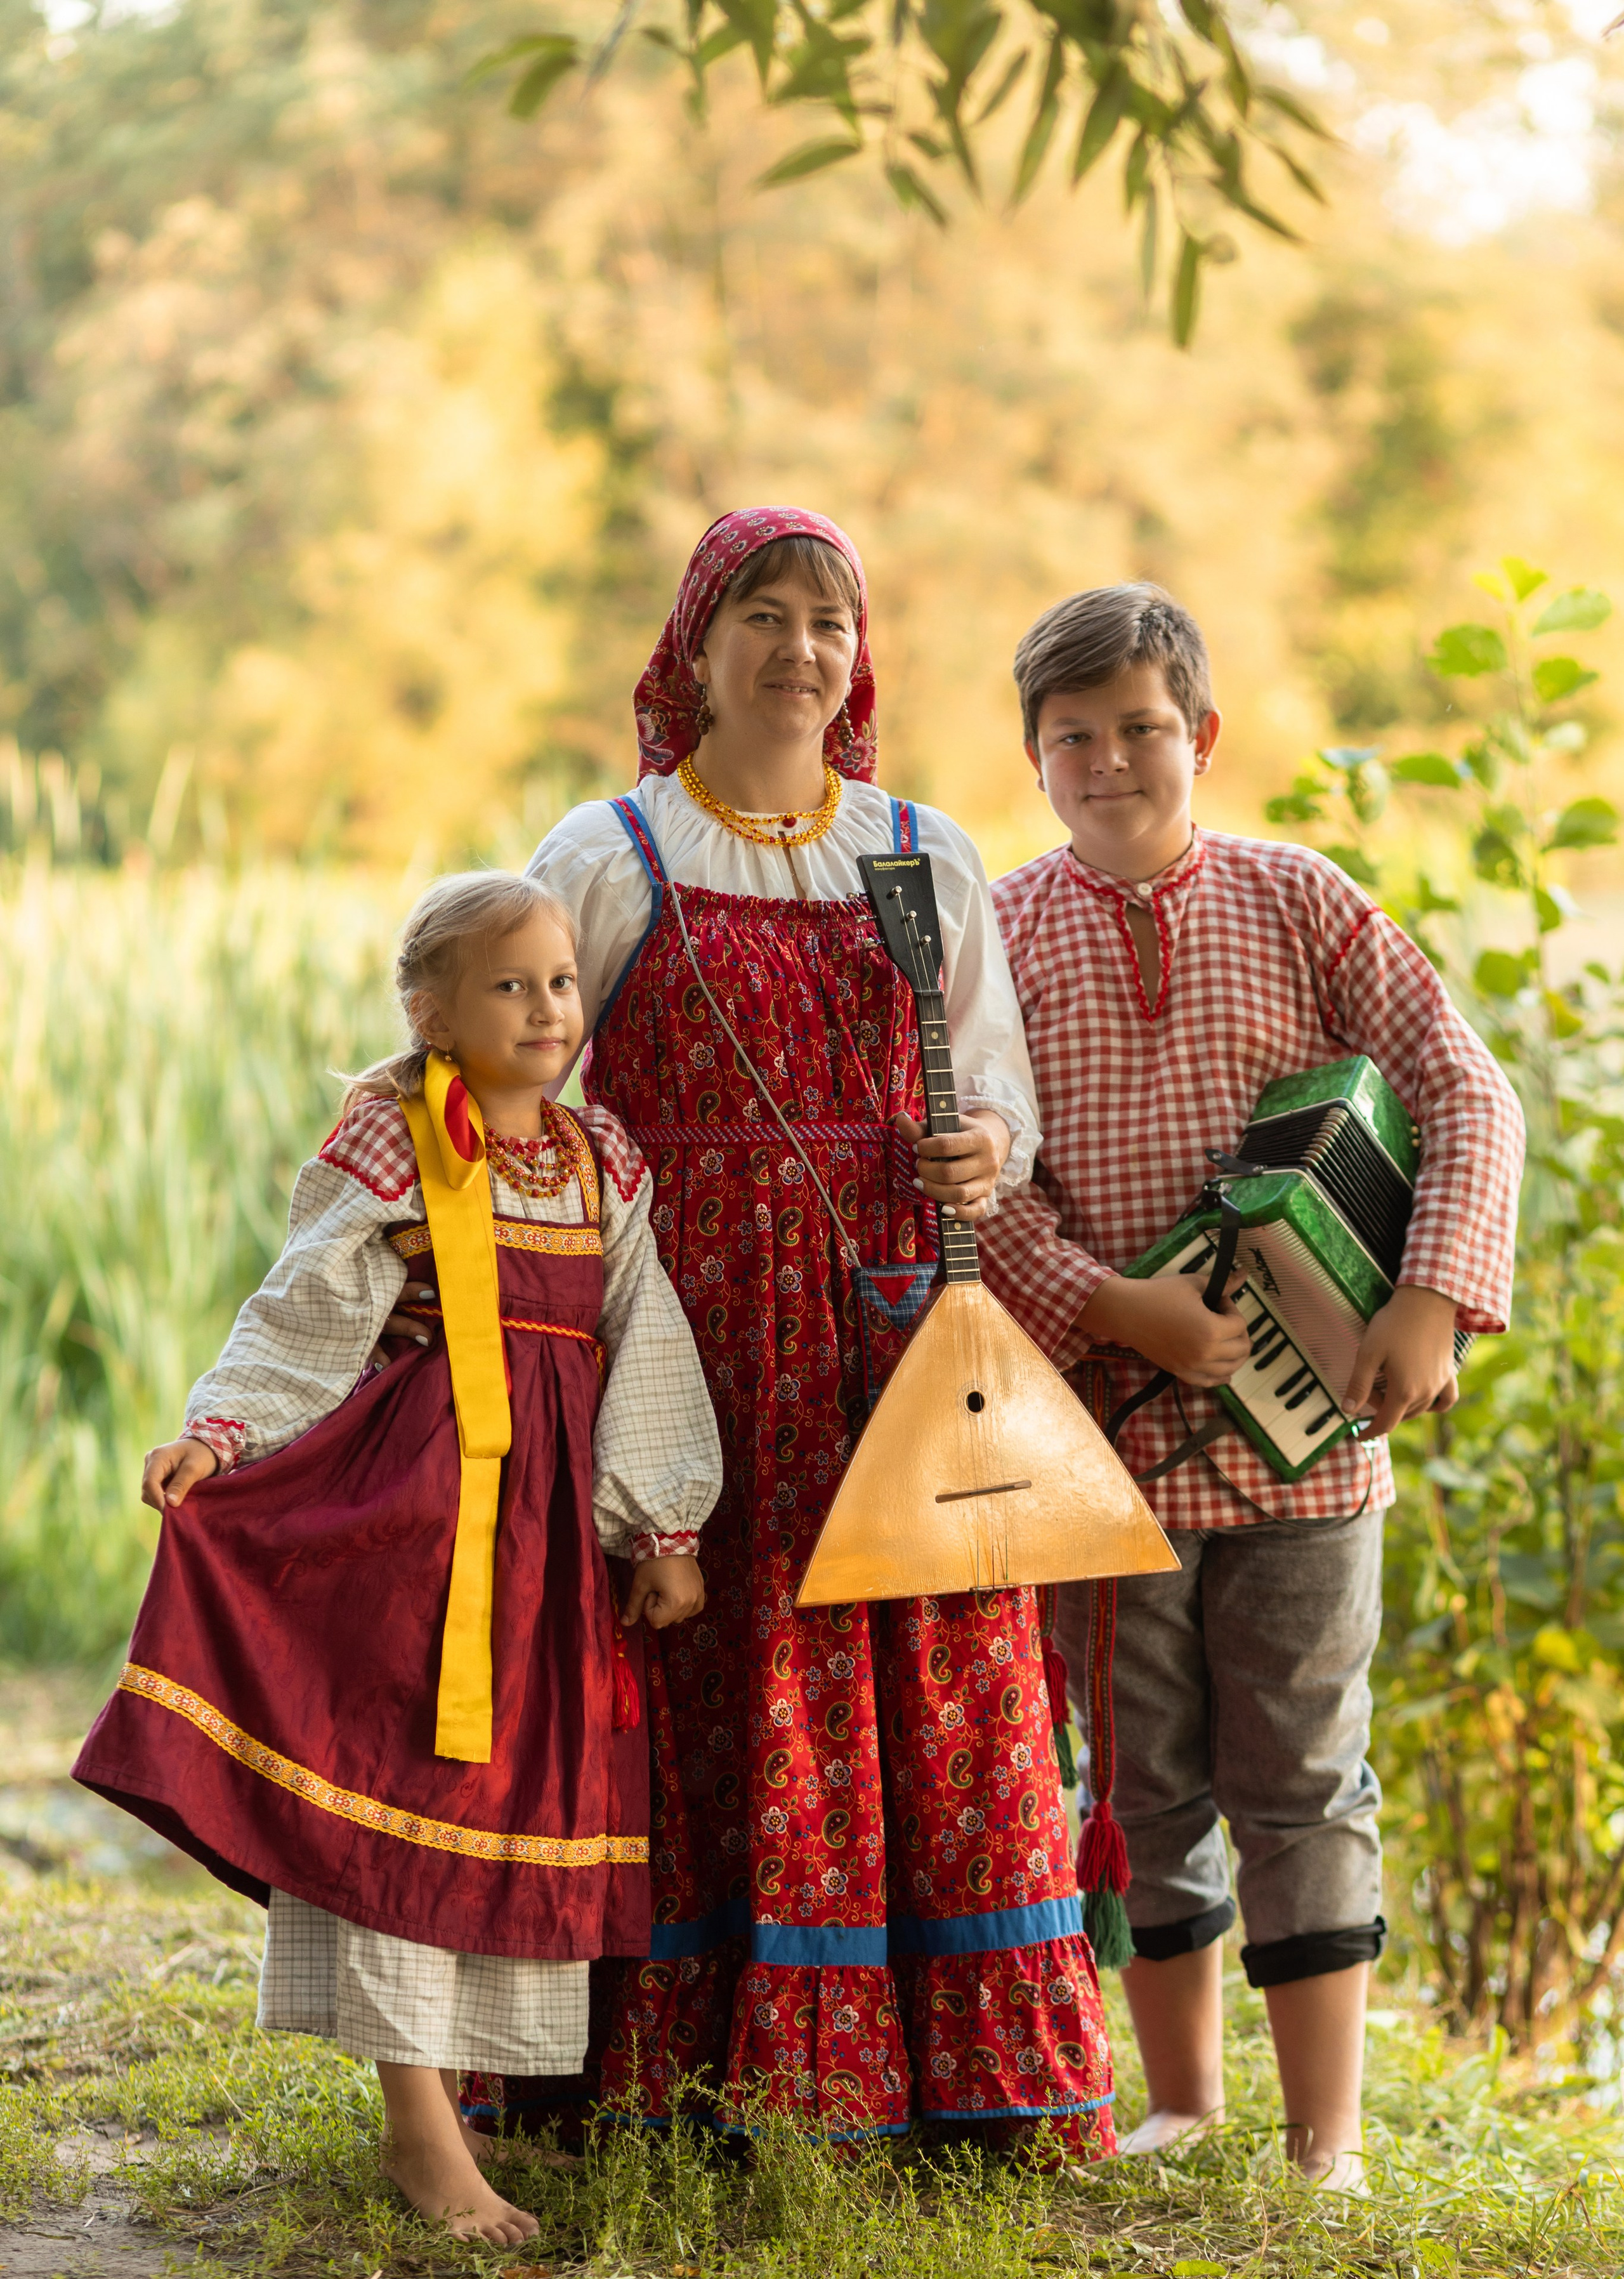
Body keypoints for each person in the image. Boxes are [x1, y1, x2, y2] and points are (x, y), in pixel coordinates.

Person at [514, 505, 1118, 2156]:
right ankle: (675, 2073)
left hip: (890, 1334)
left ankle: (958, 2081)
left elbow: (994, 1084)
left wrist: (980, 1148)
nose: (800, 649)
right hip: (686, 1338)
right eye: (764, 616)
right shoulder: (609, 853)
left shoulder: (920, 850)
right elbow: (520, 1079)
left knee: (931, 1669)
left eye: (830, 622)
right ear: (695, 650)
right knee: (702, 1672)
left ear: (860, 659)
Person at [74, 871, 722, 2242]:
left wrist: (661, 1521)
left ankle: (463, 2103)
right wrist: (223, 1435)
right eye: (509, 985)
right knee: (398, 1773)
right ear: (430, 1014)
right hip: (415, 1511)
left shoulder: (600, 1155)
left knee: (505, 1788)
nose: (546, 1008)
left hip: (548, 1540)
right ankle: (418, 2130)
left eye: (560, 982)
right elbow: (308, 1305)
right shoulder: (403, 1135)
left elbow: (644, 1327)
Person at [976, 583, 1524, 2189]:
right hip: (1107, 1450)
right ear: (1031, 758)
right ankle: (1180, 2102)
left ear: (1200, 734)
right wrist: (1110, 1306)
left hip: (1313, 1457)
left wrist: (1428, 1298)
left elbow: (1463, 1089)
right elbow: (971, 1181)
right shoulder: (994, 936)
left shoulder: (1301, 900)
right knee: (1141, 1780)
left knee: (1298, 1776)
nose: (1108, 761)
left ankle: (1322, 2139)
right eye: (1071, 736)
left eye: (1138, 727)